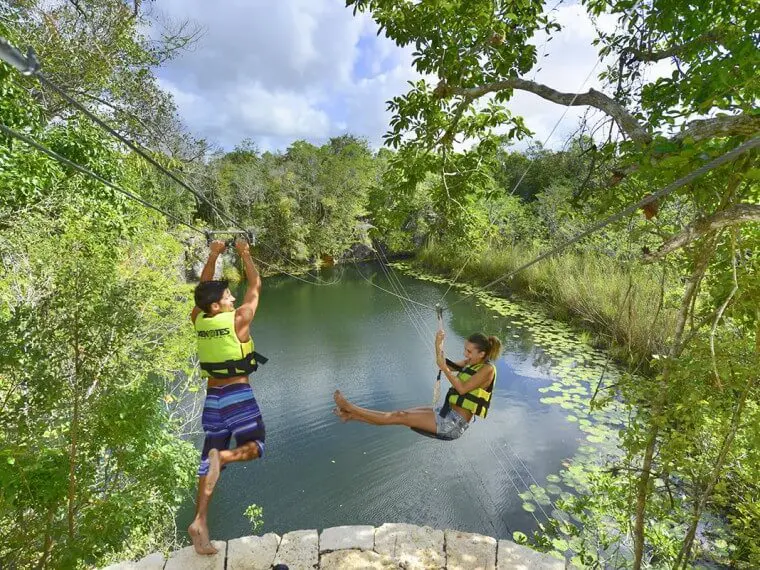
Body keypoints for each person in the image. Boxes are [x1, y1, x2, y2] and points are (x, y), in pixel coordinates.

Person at [187, 239, 265, 555]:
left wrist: (214, 254)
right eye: (227, 296)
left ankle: (200, 522)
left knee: (207, 459)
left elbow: (203, 288)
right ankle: (226, 457)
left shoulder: (198, 317)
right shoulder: (239, 320)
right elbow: (256, 285)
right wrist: (245, 254)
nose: (233, 297)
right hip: (237, 396)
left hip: (212, 401)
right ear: (217, 306)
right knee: (256, 448)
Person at [333, 329, 502, 440]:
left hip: (452, 424)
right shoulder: (471, 363)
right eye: (465, 349)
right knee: (399, 415)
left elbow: (462, 388)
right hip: (445, 413)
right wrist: (438, 344)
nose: (465, 353)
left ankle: (350, 407)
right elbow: (442, 363)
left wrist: (445, 368)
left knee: (399, 416)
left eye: (469, 351)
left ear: (482, 354)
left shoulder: (488, 370)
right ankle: (351, 415)